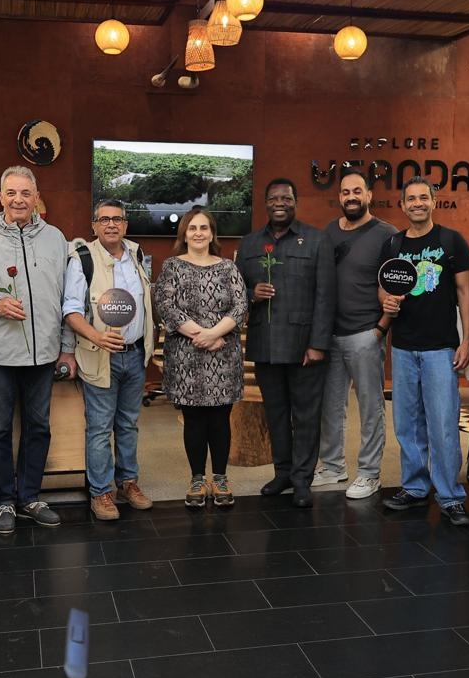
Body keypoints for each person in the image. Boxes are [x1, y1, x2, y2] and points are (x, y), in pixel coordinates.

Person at [0, 166, 77, 534]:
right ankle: (4, 501)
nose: (19, 200)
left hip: (44, 355)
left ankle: (30, 497)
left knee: (39, 427)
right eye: (11, 193)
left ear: (37, 197)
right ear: (0, 197)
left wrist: (66, 348)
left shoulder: (56, 239)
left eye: (26, 193)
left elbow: (68, 299)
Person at [379, 176, 469, 526]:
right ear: (402, 205)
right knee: (408, 425)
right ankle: (415, 488)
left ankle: (450, 496)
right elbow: (383, 287)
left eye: (424, 197)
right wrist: (386, 302)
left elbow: (465, 293)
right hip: (403, 347)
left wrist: (467, 340)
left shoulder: (451, 241)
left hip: (440, 348)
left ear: (433, 202)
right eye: (411, 199)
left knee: (443, 424)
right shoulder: (393, 244)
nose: (417, 203)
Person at [235, 178, 335, 509]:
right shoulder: (249, 244)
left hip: (305, 347)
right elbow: (235, 293)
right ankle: (283, 474)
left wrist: (318, 344)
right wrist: (252, 294)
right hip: (265, 344)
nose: (280, 203)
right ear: (265, 203)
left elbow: (326, 296)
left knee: (305, 416)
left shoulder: (317, 240)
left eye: (286, 198)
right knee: (275, 414)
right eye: (274, 198)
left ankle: (302, 479)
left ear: (295, 202)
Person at [63, 199, 155, 521]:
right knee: (100, 428)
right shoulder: (82, 259)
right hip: (100, 356)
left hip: (135, 355)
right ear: (94, 225)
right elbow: (71, 310)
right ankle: (101, 492)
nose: (111, 224)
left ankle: (128, 482)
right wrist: (96, 336)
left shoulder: (137, 255)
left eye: (117, 219)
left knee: (128, 424)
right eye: (104, 219)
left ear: (126, 225)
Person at [155, 207, 248, 507]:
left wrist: (215, 333)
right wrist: (202, 335)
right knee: (194, 420)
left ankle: (219, 479)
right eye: (192, 228)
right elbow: (165, 305)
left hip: (224, 355)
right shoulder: (172, 266)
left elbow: (240, 306)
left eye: (203, 228)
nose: (198, 233)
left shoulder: (228, 267)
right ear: (184, 234)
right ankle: (197, 479)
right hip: (186, 356)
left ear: (212, 234)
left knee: (220, 419)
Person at [313, 171, 397, 499]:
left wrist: (381, 328)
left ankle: (369, 473)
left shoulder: (386, 234)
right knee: (330, 406)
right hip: (330, 335)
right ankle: (333, 466)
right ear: (340, 196)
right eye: (346, 192)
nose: (351, 197)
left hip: (366, 334)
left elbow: (394, 285)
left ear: (369, 195)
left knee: (371, 407)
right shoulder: (329, 231)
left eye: (357, 191)